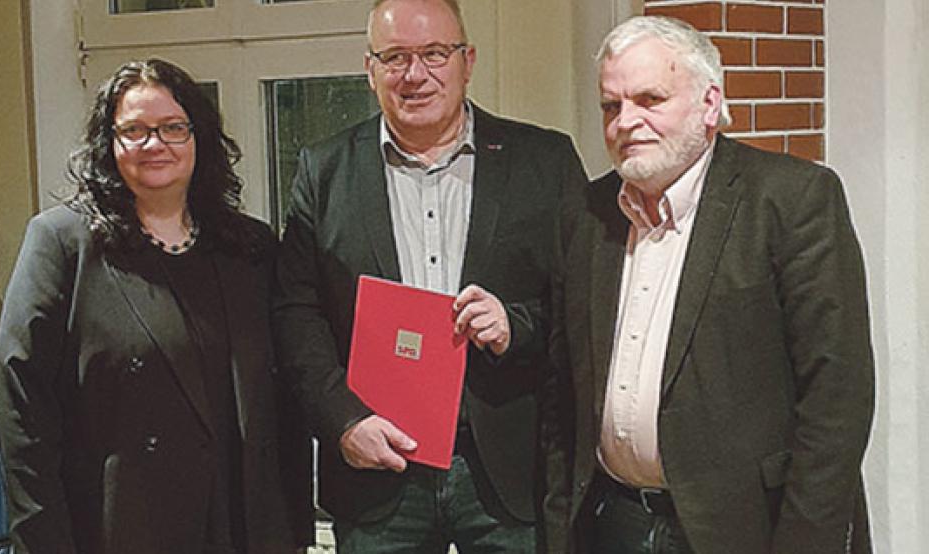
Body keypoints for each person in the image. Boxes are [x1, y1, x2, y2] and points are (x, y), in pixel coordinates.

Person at [550, 15, 876, 554]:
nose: (626, 121)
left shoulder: (792, 200)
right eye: (612, 105)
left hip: (746, 529)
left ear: (708, 105)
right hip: (615, 522)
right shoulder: (588, 213)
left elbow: (837, 399)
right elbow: (565, 386)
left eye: (649, 99)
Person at [272, 0, 587, 551]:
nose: (415, 74)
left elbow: (585, 303)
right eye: (395, 57)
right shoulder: (323, 171)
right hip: (377, 469)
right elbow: (296, 315)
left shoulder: (545, 161)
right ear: (369, 71)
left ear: (467, 61)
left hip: (506, 470)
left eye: (434, 54)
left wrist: (517, 326)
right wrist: (342, 422)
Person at [0, 58, 312, 553]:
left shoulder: (250, 247)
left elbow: (284, 397)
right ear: (109, 144)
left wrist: (292, 529)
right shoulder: (63, 243)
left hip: (242, 524)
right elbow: (22, 403)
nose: (154, 144)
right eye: (134, 131)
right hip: (119, 525)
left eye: (172, 128)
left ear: (199, 137)